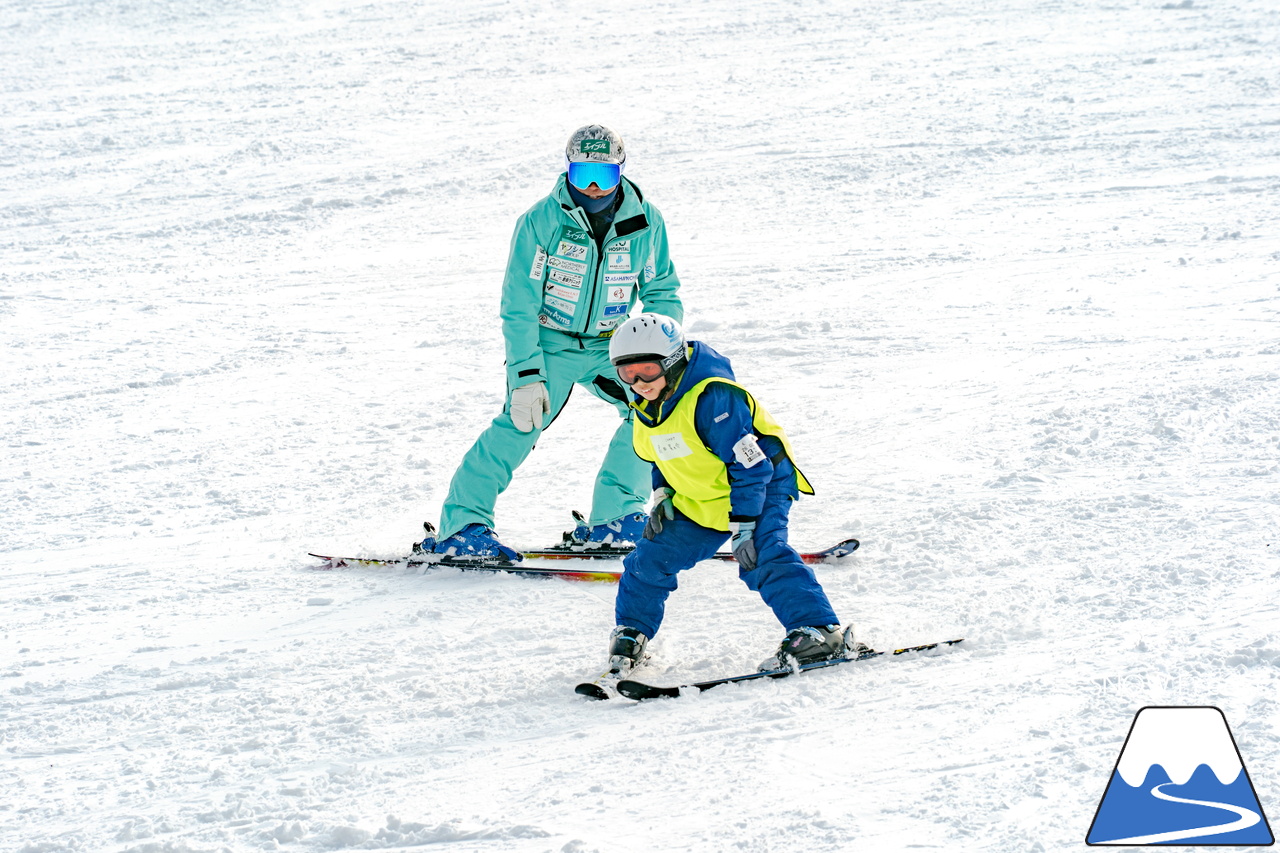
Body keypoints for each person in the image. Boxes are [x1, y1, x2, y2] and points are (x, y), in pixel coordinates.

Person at [420, 126, 683, 561]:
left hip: (610, 346)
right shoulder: (541, 221)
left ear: (620, 171)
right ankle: (462, 525)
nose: (593, 186)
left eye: (603, 174)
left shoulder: (646, 222)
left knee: (651, 412)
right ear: (567, 171)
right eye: (582, 175)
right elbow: (518, 304)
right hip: (549, 344)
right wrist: (524, 372)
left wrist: (660, 349)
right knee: (521, 421)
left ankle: (615, 518)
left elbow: (661, 290)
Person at [602, 314, 853, 675]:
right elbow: (662, 454)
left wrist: (745, 524)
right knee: (650, 559)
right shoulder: (647, 406)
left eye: (648, 370)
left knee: (762, 555)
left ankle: (819, 630)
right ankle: (632, 633)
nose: (639, 382)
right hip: (701, 494)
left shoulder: (715, 399)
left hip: (759, 487)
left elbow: (752, 467)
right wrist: (662, 494)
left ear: (672, 362)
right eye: (628, 373)